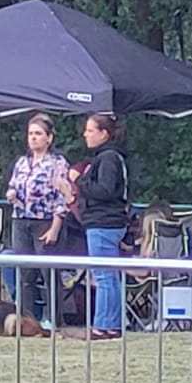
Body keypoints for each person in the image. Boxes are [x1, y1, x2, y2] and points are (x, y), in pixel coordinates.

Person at [63, 111, 130, 339]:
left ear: (104, 134)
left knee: (103, 276)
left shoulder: (108, 158)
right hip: (107, 222)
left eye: (90, 130)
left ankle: (102, 325)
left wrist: (78, 180)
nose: (85, 135)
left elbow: (105, 190)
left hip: (103, 222)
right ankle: (112, 324)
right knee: (109, 276)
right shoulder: (109, 157)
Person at [5, 114, 71, 326]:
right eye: (31, 134)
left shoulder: (57, 163)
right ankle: (27, 320)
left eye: (38, 134)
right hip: (21, 220)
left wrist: (55, 227)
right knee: (26, 273)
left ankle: (53, 319)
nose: (33, 138)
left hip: (45, 221)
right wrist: (11, 194)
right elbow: (13, 185)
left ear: (49, 138)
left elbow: (63, 198)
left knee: (49, 271)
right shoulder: (22, 163)